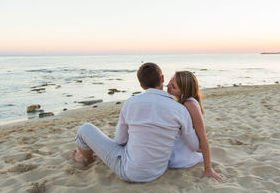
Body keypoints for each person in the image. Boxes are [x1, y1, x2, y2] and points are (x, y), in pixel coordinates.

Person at [72, 62, 200, 182]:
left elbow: (120, 141)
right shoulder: (180, 109)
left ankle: (84, 158)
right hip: (159, 171)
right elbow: (194, 146)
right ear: (162, 79)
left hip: (130, 173)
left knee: (85, 129)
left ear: (141, 86)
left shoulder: (131, 103)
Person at [167, 71, 223, 182]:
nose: (168, 86)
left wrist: (208, 169)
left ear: (184, 91)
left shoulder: (190, 104)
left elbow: (203, 136)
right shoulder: (183, 103)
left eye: (173, 86)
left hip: (180, 158)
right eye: (169, 82)